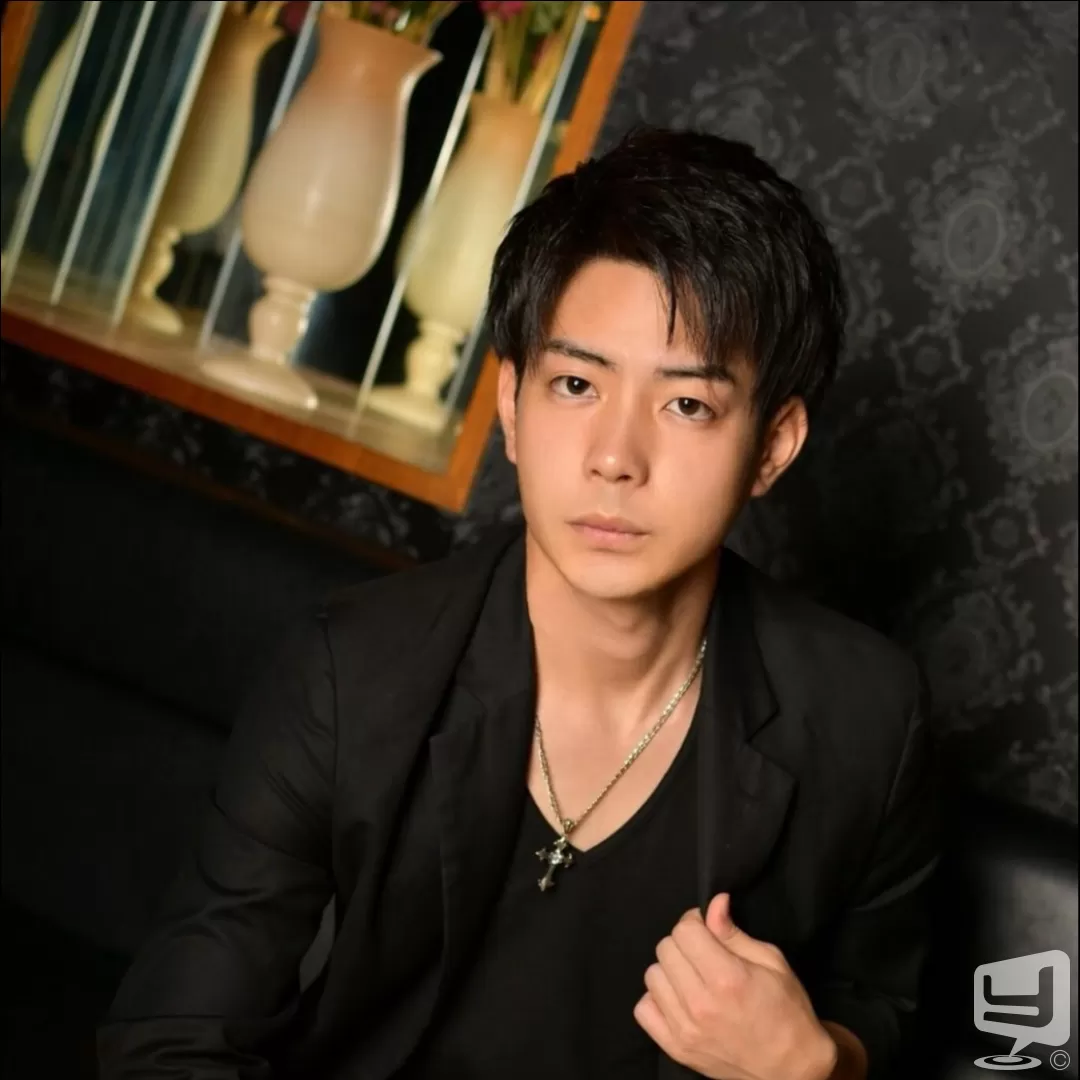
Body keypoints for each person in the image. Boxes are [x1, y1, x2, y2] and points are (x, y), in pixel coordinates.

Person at [97, 127, 941, 1080]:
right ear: (510, 404)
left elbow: (881, 1006)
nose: (614, 457)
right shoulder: (354, 670)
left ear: (773, 446)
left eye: (687, 405)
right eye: (576, 384)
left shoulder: (866, 717)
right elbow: (172, 1043)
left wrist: (816, 1066)